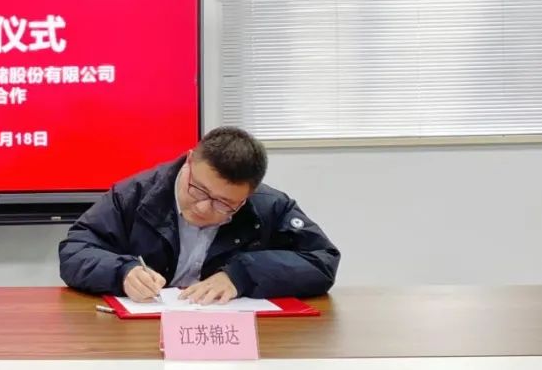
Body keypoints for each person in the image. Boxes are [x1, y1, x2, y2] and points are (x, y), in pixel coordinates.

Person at [58, 126, 339, 303]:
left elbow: (323, 262)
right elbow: (74, 251)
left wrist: (242, 275)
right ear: (190, 160)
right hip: (144, 333)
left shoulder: (269, 206)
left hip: (230, 339)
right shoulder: (134, 195)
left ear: (247, 196)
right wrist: (122, 271)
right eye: (198, 190)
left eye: (224, 203)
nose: (203, 208)